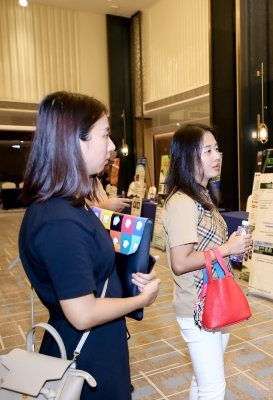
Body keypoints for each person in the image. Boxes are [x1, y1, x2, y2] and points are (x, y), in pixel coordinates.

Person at [18, 91, 161, 400]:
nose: (112, 146)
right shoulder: (59, 221)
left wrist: (133, 272)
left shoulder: (70, 205)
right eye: (105, 135)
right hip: (85, 357)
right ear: (75, 142)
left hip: (97, 346)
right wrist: (141, 300)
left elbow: (87, 270)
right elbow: (82, 313)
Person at [162, 124, 252, 399]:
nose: (217, 156)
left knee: (203, 381)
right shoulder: (182, 202)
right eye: (208, 151)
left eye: (217, 149)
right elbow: (180, 262)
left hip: (213, 300)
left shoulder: (200, 196)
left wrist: (233, 248)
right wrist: (227, 249)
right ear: (189, 156)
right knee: (213, 388)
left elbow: (206, 247)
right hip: (197, 306)